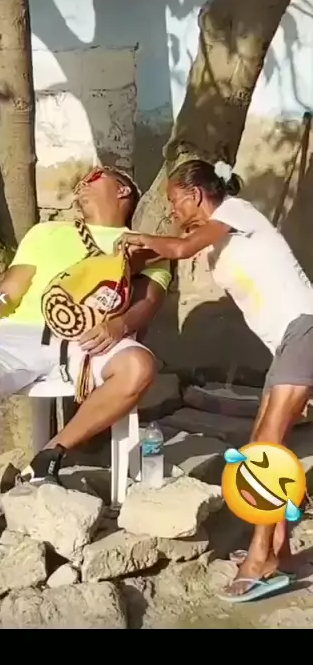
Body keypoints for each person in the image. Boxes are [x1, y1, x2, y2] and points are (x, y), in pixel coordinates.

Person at [115, 158, 313, 601]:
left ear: (196, 194)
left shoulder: (236, 212)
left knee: (264, 451)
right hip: (288, 342)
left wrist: (138, 238)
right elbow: (172, 248)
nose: (172, 211)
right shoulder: (216, 236)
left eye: (174, 201)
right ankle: (278, 551)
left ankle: (259, 558)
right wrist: (123, 256)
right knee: (264, 446)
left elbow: (180, 248)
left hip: (306, 328)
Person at [0, 165, 172, 543]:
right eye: (80, 182)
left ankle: (50, 454)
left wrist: (119, 325)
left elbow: (148, 302)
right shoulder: (46, 233)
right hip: (21, 332)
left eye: (94, 178)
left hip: (92, 337)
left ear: (123, 191)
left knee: (138, 365)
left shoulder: (146, 245)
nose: (82, 185)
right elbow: (11, 289)